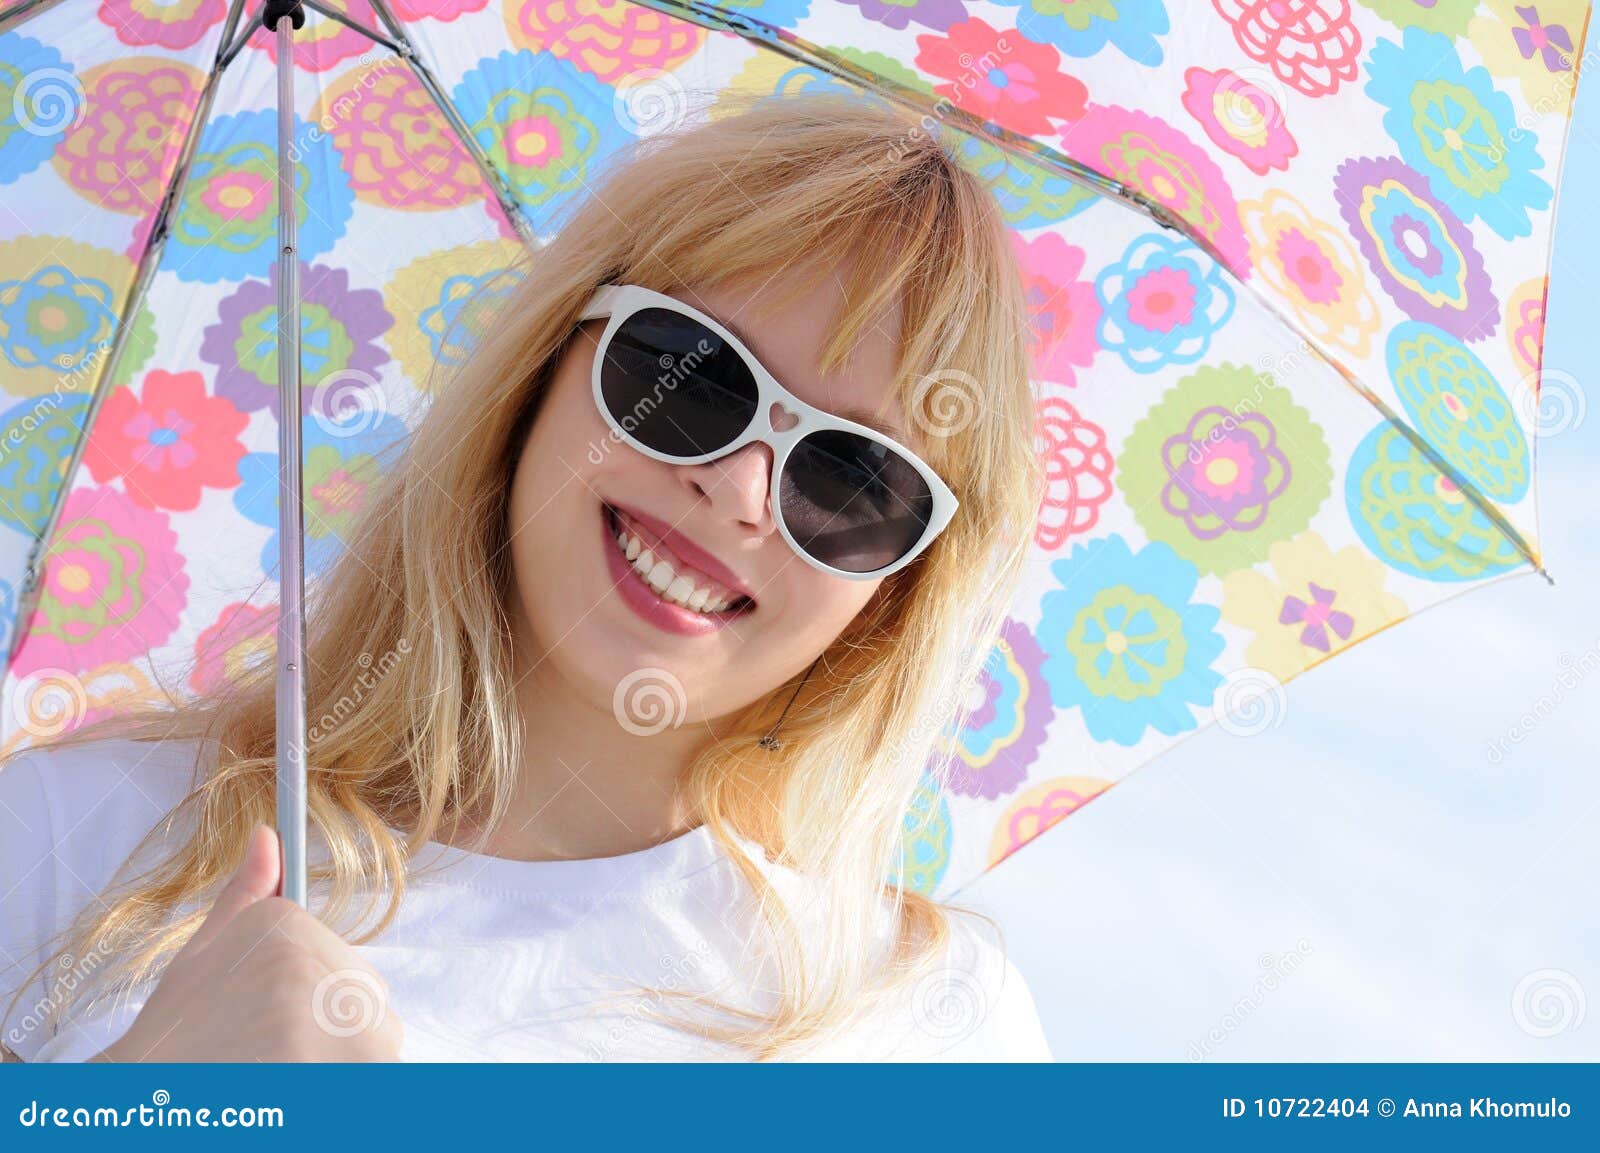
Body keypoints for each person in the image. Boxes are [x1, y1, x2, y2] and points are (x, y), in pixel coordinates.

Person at [0, 93, 1050, 1062]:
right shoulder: (68, 835)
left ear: (897, 591)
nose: (738, 489)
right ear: (545, 361)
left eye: (852, 478)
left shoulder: (924, 1020)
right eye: (693, 374)